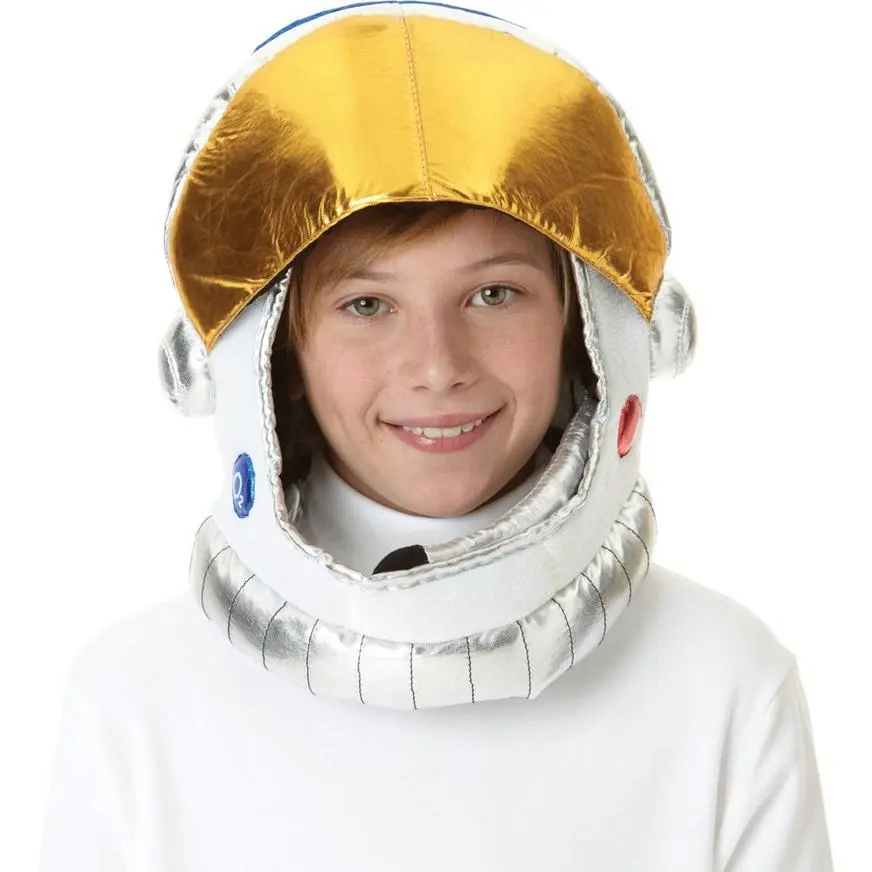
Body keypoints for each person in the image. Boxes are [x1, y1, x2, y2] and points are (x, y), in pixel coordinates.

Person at [38, 3, 834, 870]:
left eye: (494, 294)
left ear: (587, 330)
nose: (437, 365)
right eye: (367, 305)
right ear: (277, 354)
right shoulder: (135, 703)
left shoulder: (723, 684)